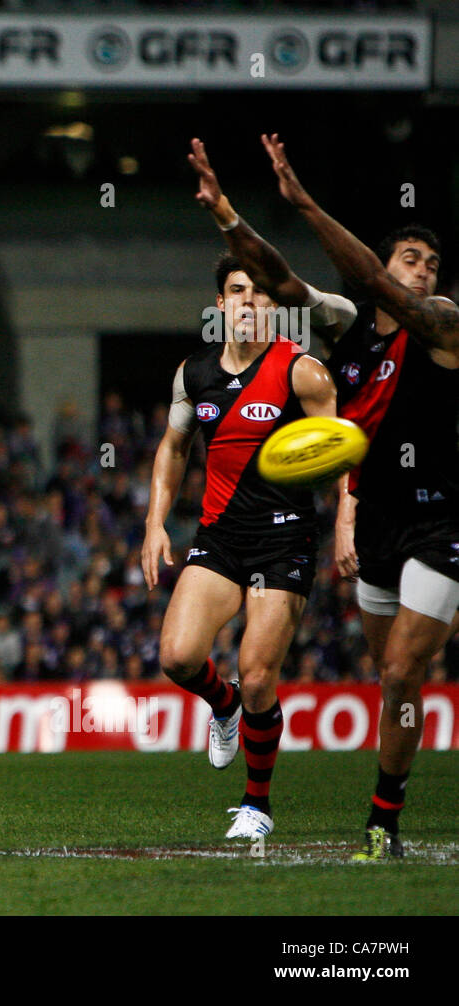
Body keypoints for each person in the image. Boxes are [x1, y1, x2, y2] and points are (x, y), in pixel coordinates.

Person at [260, 134, 459, 860]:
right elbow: (282, 282)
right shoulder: (347, 330)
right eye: (412, 259)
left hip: (441, 518)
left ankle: (383, 821)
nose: (425, 272)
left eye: (433, 264)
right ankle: (393, 799)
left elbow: (375, 282)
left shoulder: (443, 329)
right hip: (375, 515)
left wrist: (304, 201)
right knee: (392, 679)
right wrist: (227, 213)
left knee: (406, 668)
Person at [141, 249, 337, 841]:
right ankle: (220, 705)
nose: (248, 302)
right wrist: (155, 523)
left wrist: (346, 516)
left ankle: (258, 805)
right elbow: (174, 449)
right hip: (220, 538)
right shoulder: (192, 373)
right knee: (176, 657)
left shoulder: (302, 371)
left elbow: (346, 446)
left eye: (259, 293)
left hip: (285, 539)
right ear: (220, 304)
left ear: (275, 306)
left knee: (259, 677)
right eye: (236, 291)